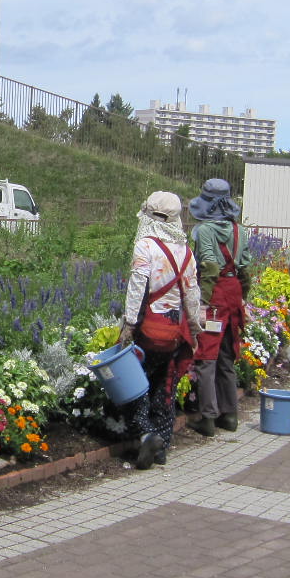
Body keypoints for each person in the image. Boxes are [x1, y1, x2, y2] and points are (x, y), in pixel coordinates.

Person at [116, 191, 202, 469]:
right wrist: (195, 329)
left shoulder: (145, 247)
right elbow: (192, 295)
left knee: (136, 385)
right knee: (165, 388)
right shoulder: (186, 252)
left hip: (148, 331)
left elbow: (137, 287)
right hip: (174, 332)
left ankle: (145, 434)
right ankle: (162, 446)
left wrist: (129, 325)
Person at [186, 178, 252, 437]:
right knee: (227, 355)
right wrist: (243, 297)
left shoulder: (204, 231)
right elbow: (245, 269)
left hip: (215, 296)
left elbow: (210, 268)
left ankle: (208, 417)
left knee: (206, 357)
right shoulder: (240, 230)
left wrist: (202, 303)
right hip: (234, 291)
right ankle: (231, 414)